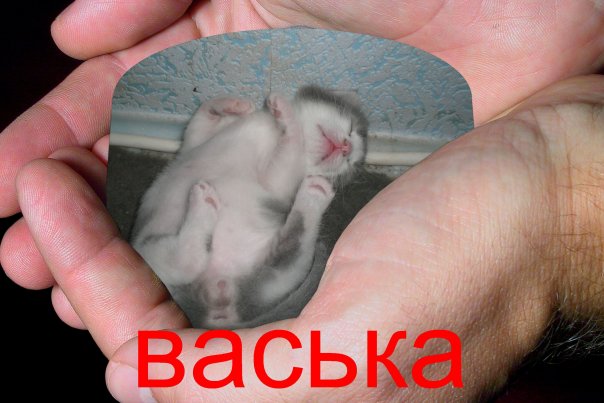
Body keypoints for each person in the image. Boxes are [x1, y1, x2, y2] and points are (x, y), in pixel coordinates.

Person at [1, 1, 603, 401]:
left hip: (224, 247)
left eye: (352, 153)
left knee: (235, 259)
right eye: (349, 126)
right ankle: (190, 247)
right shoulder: (258, 124)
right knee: (173, 250)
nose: (350, 144)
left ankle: (201, 247)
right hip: (186, 231)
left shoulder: (288, 183)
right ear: (287, 104)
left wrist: (563, 205)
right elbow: (196, 144)